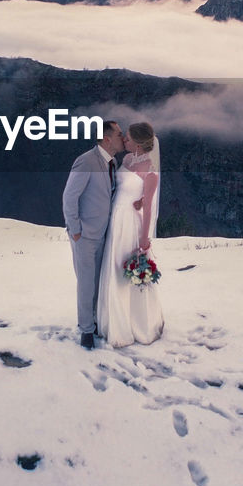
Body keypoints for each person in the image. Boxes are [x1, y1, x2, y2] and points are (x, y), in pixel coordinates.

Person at [97, 122, 164, 348]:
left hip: (131, 224)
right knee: (114, 269)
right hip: (116, 219)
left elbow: (148, 210)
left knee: (127, 270)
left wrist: (144, 239)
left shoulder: (150, 171)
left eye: (127, 137)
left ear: (136, 142)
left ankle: (135, 325)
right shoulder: (125, 161)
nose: (123, 140)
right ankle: (113, 321)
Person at [62, 120, 124, 350]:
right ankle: (86, 330)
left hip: (104, 234)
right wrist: (76, 231)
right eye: (119, 134)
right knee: (86, 283)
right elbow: (69, 198)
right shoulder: (86, 160)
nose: (123, 137)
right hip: (85, 236)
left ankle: (96, 321)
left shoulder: (112, 162)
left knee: (99, 280)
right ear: (107, 139)